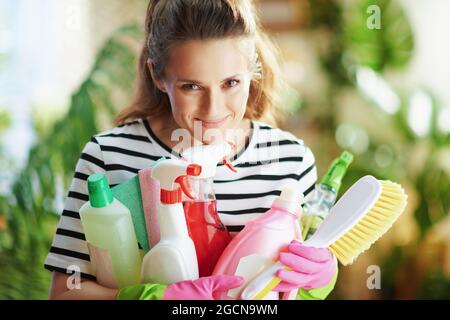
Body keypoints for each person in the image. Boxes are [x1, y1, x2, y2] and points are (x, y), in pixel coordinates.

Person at [45, 0, 337, 300]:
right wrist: (155, 298)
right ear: (158, 76)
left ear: (253, 71)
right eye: (191, 86)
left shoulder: (290, 160)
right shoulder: (108, 155)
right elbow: (64, 292)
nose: (213, 109)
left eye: (231, 83)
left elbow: (293, 288)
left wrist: (319, 278)